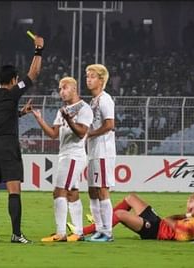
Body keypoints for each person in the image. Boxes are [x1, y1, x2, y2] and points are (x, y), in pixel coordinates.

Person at [0, 34, 44, 244]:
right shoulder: (12, 93)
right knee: (14, 190)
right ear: (14, 80)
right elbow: (34, 73)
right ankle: (16, 234)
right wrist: (38, 50)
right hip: (8, 145)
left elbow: (1, 119)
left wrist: (20, 113)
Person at [30, 77, 93, 242]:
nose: (61, 91)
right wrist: (39, 119)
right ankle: (78, 233)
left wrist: (68, 119)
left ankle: (61, 233)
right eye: (59, 89)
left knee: (59, 192)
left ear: (74, 88)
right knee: (72, 193)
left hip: (74, 155)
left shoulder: (84, 108)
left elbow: (81, 133)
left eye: (64, 88)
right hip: (65, 154)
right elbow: (53, 134)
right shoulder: (62, 110)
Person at [69, 193, 194, 242]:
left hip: (155, 232)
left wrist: (187, 214)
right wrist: (189, 214)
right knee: (131, 198)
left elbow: (168, 221)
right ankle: (105, 220)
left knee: (120, 215)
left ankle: (82, 232)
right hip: (158, 223)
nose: (192, 204)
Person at [84, 64, 116, 242]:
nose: (88, 79)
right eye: (87, 76)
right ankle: (98, 229)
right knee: (92, 191)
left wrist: (91, 134)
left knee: (102, 190)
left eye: (93, 76)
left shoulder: (105, 99)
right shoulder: (93, 101)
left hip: (103, 151)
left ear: (101, 80)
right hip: (94, 151)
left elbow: (110, 124)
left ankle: (108, 232)